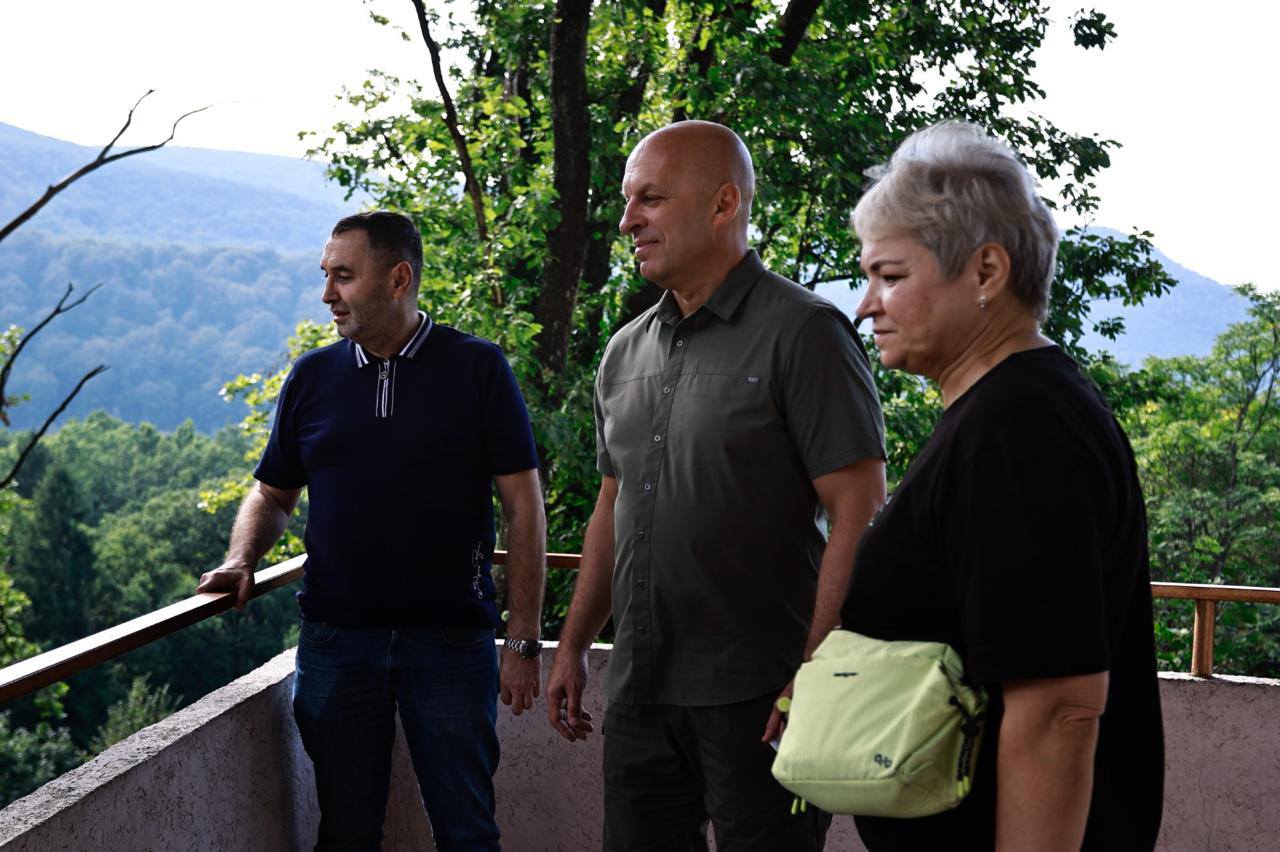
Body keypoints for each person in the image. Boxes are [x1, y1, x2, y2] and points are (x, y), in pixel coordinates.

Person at [545, 120, 887, 851]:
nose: (628, 221)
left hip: (761, 694)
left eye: (651, 199)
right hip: (639, 691)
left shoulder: (806, 332)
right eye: (628, 201)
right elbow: (612, 504)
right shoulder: (624, 351)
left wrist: (818, 672)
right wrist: (572, 644)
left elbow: (859, 508)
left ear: (723, 204)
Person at [840, 122, 1164, 850]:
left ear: (986, 271)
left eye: (890, 276)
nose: (865, 305)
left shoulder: (1018, 428)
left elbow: (1058, 710)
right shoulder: (1010, 409)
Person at [196, 211, 546, 852]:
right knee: (346, 832)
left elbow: (523, 507)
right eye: (325, 275)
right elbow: (272, 492)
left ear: (398, 279)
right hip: (336, 641)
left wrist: (522, 639)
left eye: (343, 276)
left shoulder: (477, 368)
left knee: (467, 832)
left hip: (450, 641)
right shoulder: (312, 377)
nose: (327, 294)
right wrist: (242, 558)